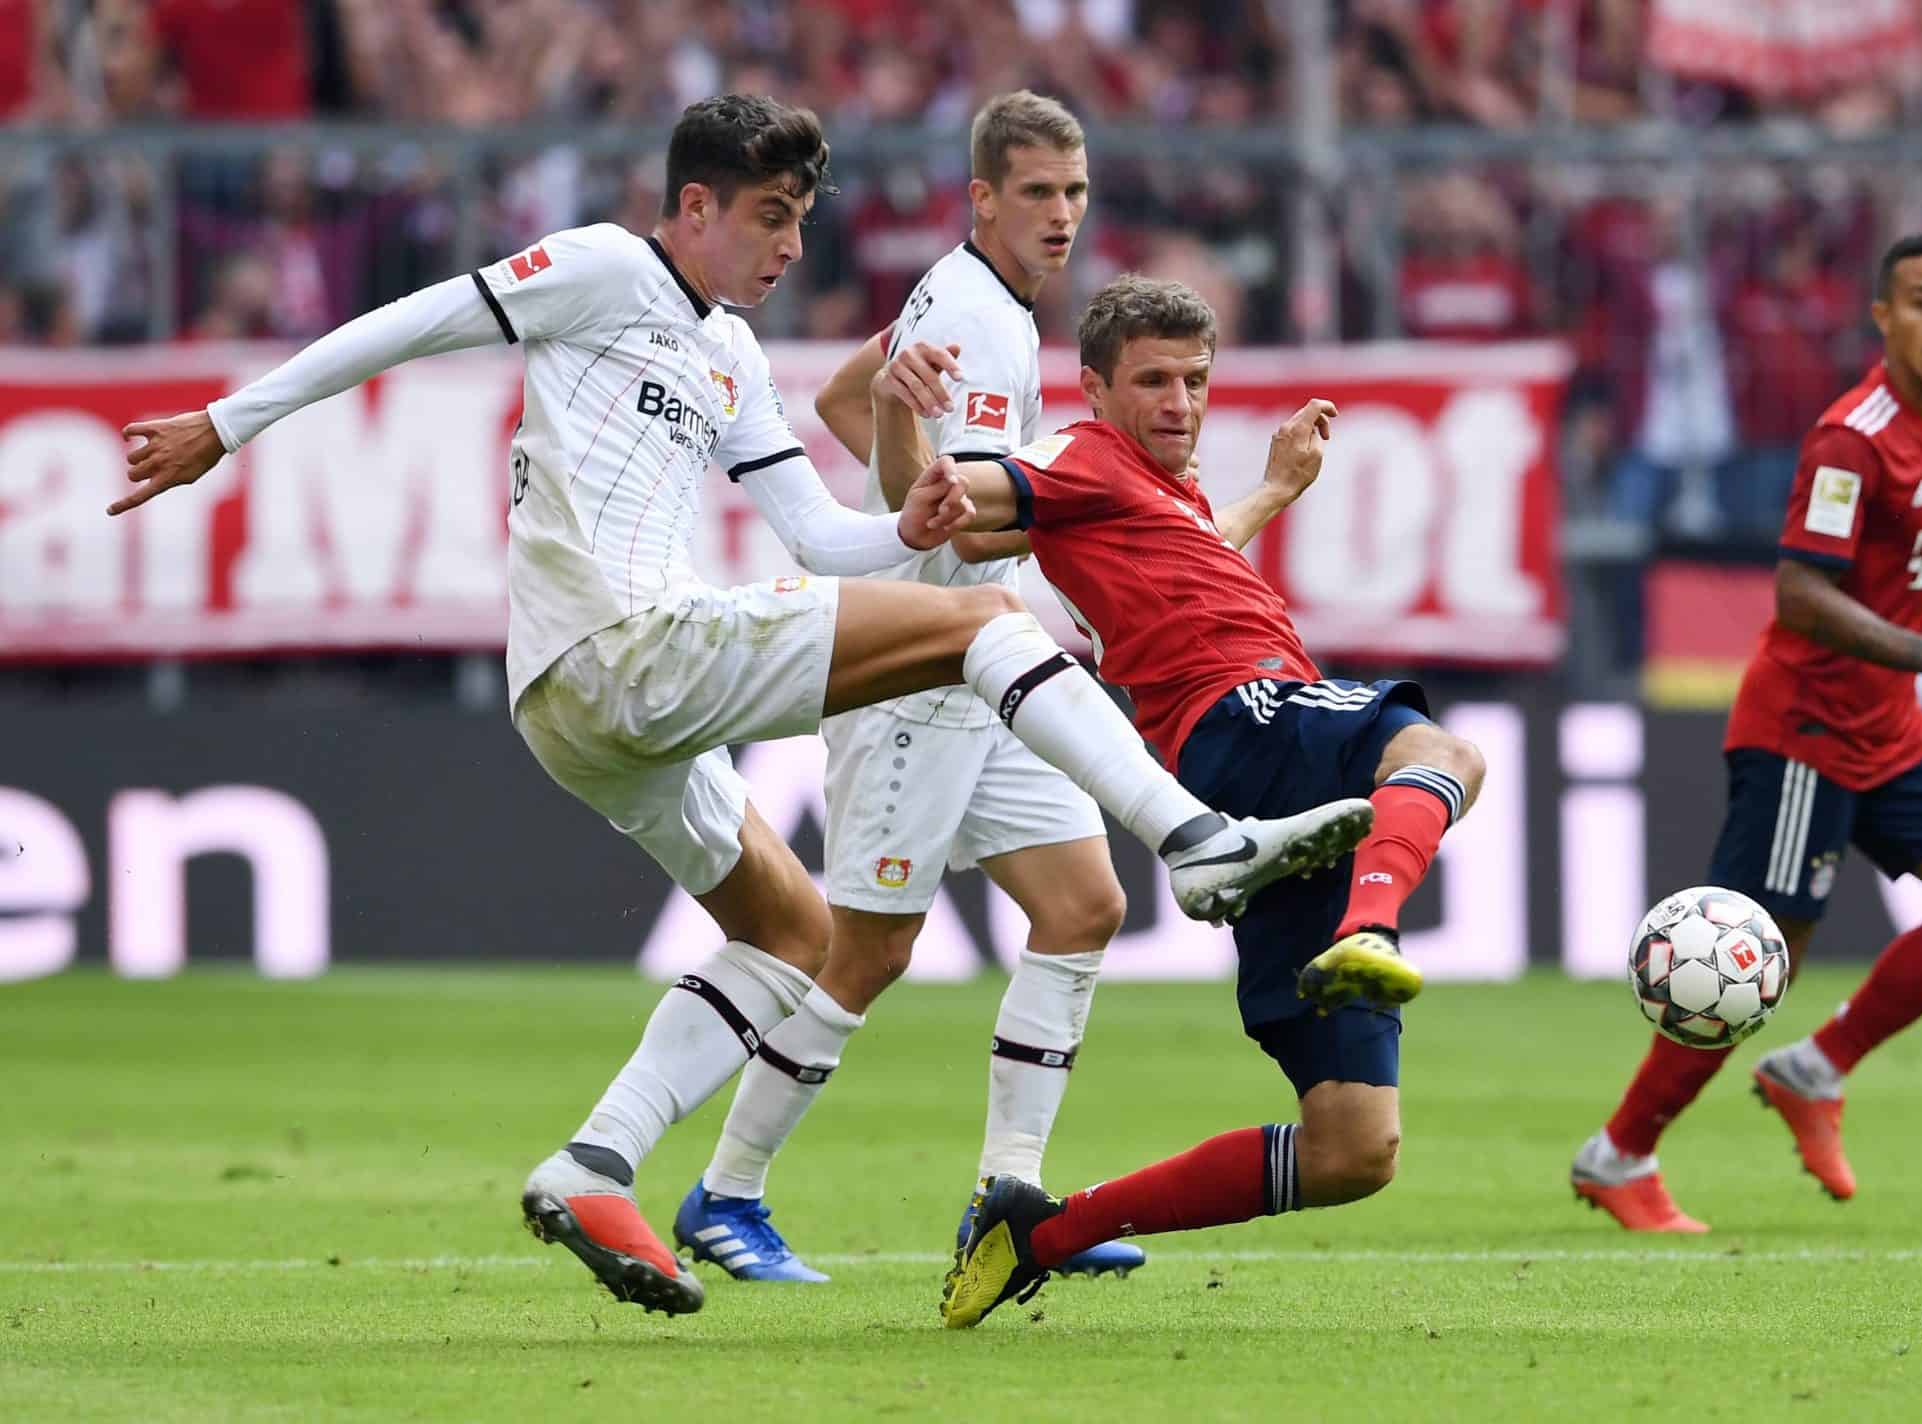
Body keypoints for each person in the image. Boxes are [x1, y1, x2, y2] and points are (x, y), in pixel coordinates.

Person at [109, 95, 1379, 1317]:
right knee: (984, 627)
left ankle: (597, 1164)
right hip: (621, 644)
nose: (786, 247)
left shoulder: (730, 354)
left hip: (592, 714)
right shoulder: (606, 266)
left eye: (801, 224)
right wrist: (230, 421)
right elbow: (417, 319)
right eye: (768, 216)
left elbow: (826, 540)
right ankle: (1199, 841)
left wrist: (908, 521)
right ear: (695, 203)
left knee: (790, 928)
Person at [865, 274, 1488, 1329]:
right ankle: (1372, 925)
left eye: (1194, 380)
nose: (1178, 401)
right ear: (1094, 388)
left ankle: (1037, 1231)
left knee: (1351, 1148)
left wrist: (1274, 492)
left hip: (1246, 763)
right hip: (1245, 710)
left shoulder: (1164, 495)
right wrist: (896, 416)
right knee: (1444, 753)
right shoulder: (1076, 456)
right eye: (1151, 380)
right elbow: (947, 512)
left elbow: (1182, 544)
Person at [674, 92, 1145, 1284]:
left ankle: (1011, 1197)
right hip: (916, 678)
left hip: (975, 667)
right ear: (982, 195)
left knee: (1083, 904)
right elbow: (971, 525)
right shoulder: (979, 324)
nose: (1059, 215)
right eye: (1035, 192)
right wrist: (1081, 522)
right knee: (864, 953)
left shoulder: (969, 301)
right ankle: (724, 1193)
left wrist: (909, 470)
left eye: (1073, 192)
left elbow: (858, 401)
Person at [1573, 233, 1922, 1233]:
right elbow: (1798, 593)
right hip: (1805, 733)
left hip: (1889, 725)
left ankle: (1814, 1068)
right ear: (1881, 316)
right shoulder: (1849, 438)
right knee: (1747, 965)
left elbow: (1890, 565)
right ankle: (1617, 1154)